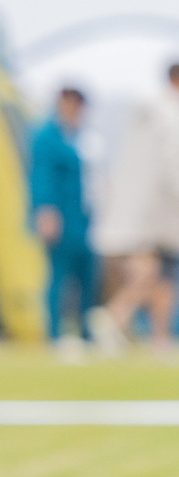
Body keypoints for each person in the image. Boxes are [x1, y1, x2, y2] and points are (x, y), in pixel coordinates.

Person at [89, 61, 179, 358]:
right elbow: (176, 163)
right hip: (158, 217)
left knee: (151, 275)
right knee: (159, 276)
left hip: (136, 215)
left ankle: (135, 327)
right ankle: (119, 318)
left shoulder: (145, 110)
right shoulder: (172, 113)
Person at [28, 87, 94, 360]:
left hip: (84, 218)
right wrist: (45, 211)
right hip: (59, 216)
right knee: (58, 275)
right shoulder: (46, 135)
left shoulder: (82, 135)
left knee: (87, 277)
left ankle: (86, 335)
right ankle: (55, 334)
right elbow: (41, 176)